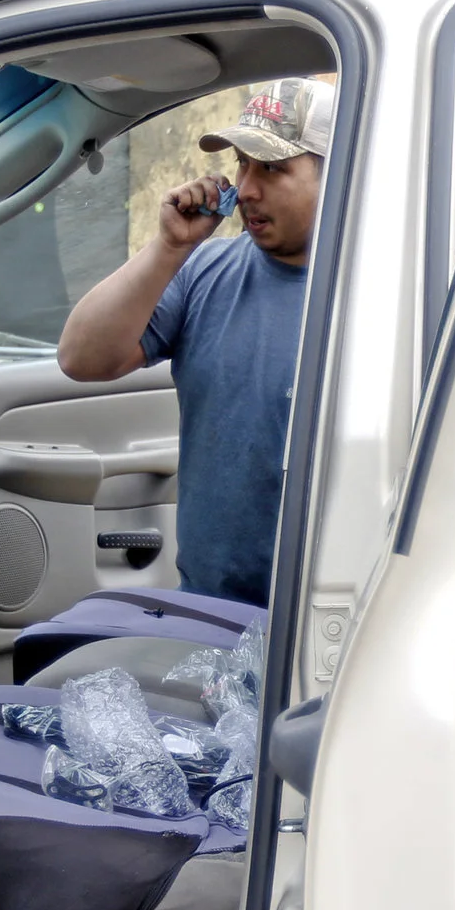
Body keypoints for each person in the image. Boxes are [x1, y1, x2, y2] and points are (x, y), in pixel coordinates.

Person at [57, 78, 334, 606]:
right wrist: (168, 248)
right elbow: (82, 358)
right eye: (242, 164)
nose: (247, 189)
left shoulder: (386, 300)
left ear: (341, 175)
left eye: (273, 168)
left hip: (331, 619)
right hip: (211, 610)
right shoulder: (204, 269)